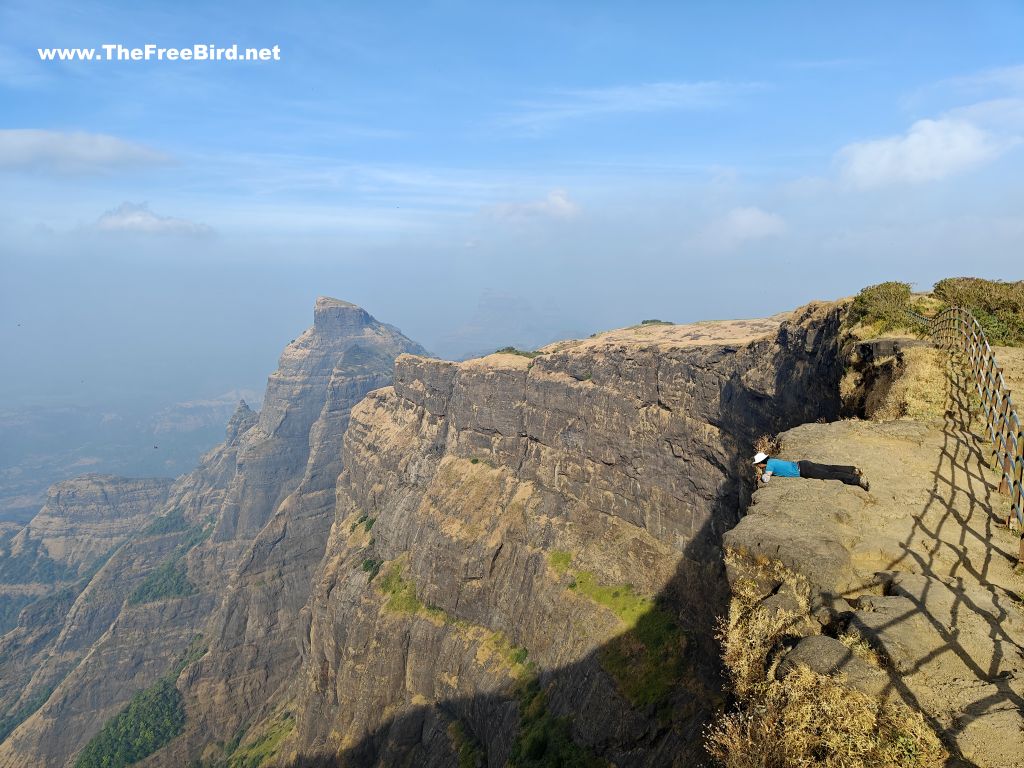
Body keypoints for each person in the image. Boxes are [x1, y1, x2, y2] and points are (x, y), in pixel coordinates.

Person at [752, 452, 869, 491]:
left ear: (762, 463)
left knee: (830, 475)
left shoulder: (769, 466)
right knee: (829, 468)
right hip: (803, 463)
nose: (758, 466)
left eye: (758, 464)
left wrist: (762, 476)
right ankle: (854, 470)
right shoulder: (772, 460)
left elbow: (766, 478)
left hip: (804, 470)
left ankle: (858, 480)